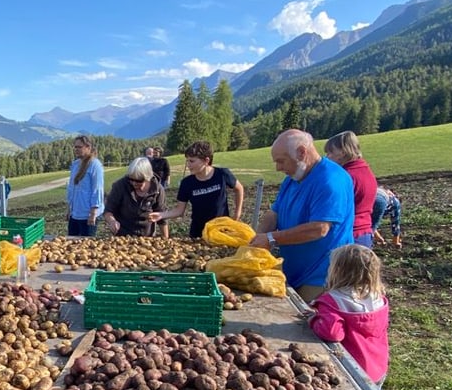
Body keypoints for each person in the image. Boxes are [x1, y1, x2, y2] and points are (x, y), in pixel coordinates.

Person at [248, 129, 354, 302]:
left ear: (302, 153)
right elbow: (274, 213)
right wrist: (256, 239)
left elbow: (319, 229)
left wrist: (270, 238)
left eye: (281, 161)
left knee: (305, 324)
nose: (278, 168)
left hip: (321, 276)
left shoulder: (331, 180)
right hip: (294, 270)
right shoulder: (293, 178)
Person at [308, 244, 389, 384]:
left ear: (337, 271)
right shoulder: (378, 298)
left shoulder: (333, 300)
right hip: (377, 366)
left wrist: (313, 319)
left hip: (352, 370)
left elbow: (332, 333)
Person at [149, 141, 244, 240]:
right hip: (198, 233)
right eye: (187, 161)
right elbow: (179, 211)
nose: (188, 165)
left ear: (206, 160)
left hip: (221, 230)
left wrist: (237, 214)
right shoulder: (187, 183)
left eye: (192, 161)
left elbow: (239, 189)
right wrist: (161, 215)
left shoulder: (222, 174)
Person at [324, 131, 378, 247]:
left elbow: (334, 210)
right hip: (365, 233)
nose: (327, 157)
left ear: (342, 152)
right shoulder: (366, 171)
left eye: (330, 152)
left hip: (349, 236)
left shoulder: (345, 176)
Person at [103, 158, 168, 237]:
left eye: (139, 181)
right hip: (122, 237)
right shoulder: (120, 186)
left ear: (148, 177)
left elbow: (162, 217)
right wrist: (112, 221)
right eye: (131, 179)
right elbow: (108, 210)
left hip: (147, 238)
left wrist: (165, 239)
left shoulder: (157, 189)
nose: (134, 183)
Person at [66, 135, 105, 236]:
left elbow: (97, 190)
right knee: (72, 245)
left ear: (88, 147)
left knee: (86, 247)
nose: (76, 149)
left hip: (87, 215)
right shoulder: (75, 165)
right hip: (75, 214)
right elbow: (72, 189)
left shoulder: (95, 165)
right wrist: (69, 209)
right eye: (75, 147)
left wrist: (93, 214)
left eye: (79, 147)